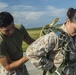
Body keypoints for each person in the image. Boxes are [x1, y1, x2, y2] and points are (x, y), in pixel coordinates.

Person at [26, 7, 76, 75]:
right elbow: (31, 53)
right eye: (75, 29)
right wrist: (53, 69)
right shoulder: (54, 37)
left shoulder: (73, 36)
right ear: (68, 21)